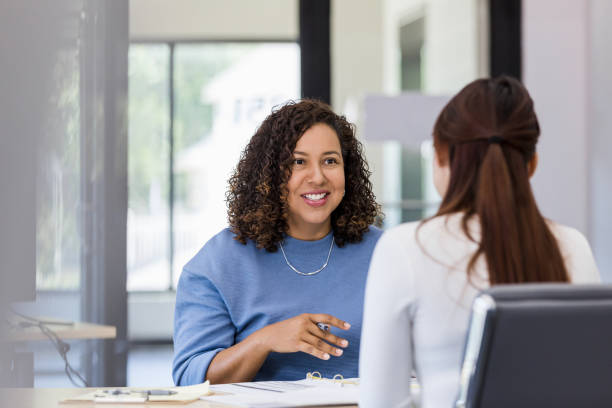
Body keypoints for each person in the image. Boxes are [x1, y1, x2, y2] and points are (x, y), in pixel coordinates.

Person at [359, 76, 600, 408]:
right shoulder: (573, 247)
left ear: (442, 157)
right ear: (531, 163)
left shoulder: (405, 248)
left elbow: (381, 402)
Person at [173, 99, 382, 385]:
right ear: (269, 174)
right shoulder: (218, 263)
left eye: (330, 161)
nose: (318, 177)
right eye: (298, 162)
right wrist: (264, 341)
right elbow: (190, 381)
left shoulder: (386, 254)